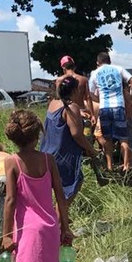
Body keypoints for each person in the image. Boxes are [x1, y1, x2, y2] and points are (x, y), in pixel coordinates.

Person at [1, 110, 72, 262]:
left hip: (27, 231)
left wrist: (6, 234)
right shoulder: (47, 159)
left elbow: (10, 200)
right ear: (37, 134)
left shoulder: (12, 161)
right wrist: (67, 226)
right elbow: (60, 197)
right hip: (50, 227)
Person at [41, 76, 100, 205]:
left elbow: (62, 118)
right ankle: (60, 219)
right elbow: (77, 135)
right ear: (75, 91)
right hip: (63, 155)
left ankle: (60, 218)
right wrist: (92, 150)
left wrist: (78, 114)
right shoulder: (71, 107)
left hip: (47, 152)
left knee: (55, 188)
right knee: (73, 184)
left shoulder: (53, 103)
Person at [89, 53, 132, 171]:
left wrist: (99, 100)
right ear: (110, 61)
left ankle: (110, 166)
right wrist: (131, 98)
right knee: (123, 138)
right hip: (119, 106)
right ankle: (126, 166)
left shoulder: (95, 73)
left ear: (97, 63)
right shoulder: (118, 69)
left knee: (107, 139)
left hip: (104, 107)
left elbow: (90, 93)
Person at [56, 56, 97, 121]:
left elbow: (59, 98)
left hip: (68, 111)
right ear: (74, 67)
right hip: (82, 110)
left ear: (63, 68)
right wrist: (93, 115)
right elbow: (88, 97)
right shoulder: (83, 79)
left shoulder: (60, 80)